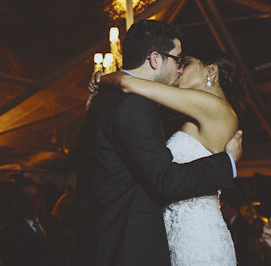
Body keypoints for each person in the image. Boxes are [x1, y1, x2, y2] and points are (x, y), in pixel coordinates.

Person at [69, 20, 243, 266]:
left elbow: (129, 82)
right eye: (178, 60)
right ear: (155, 59)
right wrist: (226, 164)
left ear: (211, 71)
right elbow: (164, 178)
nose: (180, 68)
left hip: (197, 237)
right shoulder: (136, 105)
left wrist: (107, 78)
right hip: (143, 239)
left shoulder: (214, 108)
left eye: (186, 62)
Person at [0, 177, 63, 266]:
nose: (32, 203)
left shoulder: (51, 222)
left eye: (35, 197)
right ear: (15, 202)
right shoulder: (8, 233)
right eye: (26, 199)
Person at [221, 188, 257, 266]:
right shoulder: (233, 223)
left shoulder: (241, 225)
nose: (221, 210)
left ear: (233, 209)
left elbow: (241, 250)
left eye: (224, 207)